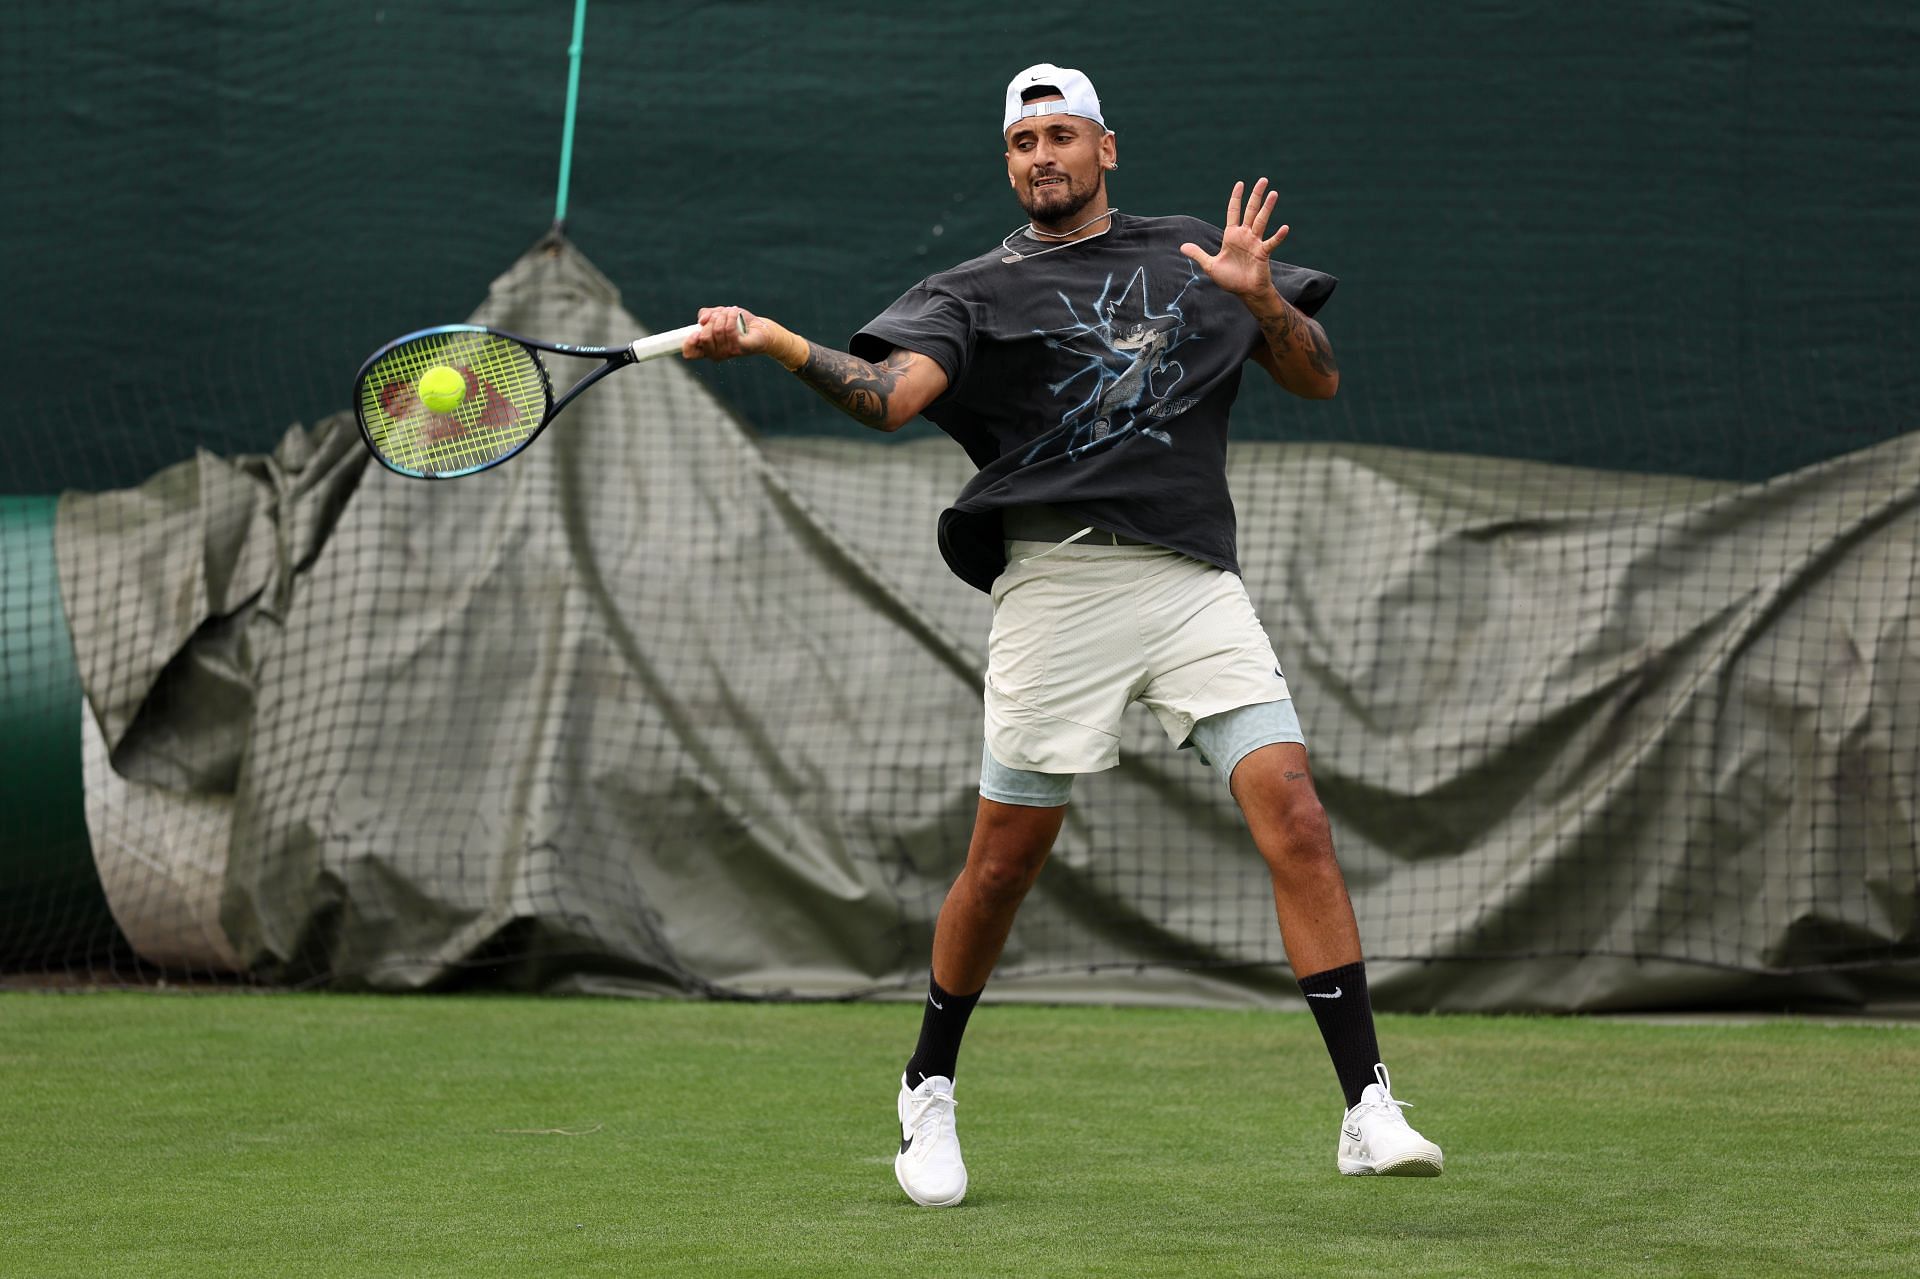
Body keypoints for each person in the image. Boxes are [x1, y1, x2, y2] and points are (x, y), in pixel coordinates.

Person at [682, 61, 1443, 1207]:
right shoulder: (971, 290)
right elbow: (889, 397)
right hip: (1057, 588)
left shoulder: (1192, 248)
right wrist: (778, 342)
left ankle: (1365, 1105)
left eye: (1060, 134)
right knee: (1001, 867)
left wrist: (1261, 300)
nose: (1041, 155)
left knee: (1294, 809)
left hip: (1192, 583)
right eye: (1021, 141)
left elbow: (1317, 379)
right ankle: (926, 1086)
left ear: (1107, 148)